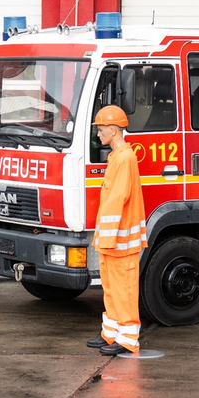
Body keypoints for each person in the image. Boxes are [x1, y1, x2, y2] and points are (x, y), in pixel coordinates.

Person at [86, 105, 146, 357]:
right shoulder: (117, 157)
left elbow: (116, 200)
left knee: (124, 290)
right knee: (111, 288)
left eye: (101, 129)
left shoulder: (123, 158)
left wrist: (107, 237)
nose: (99, 134)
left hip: (119, 240)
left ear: (113, 129)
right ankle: (110, 333)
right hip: (113, 241)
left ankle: (128, 339)